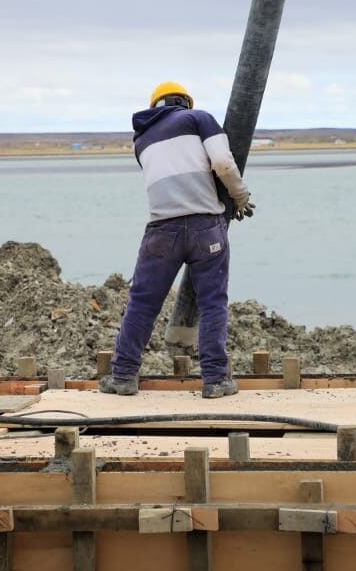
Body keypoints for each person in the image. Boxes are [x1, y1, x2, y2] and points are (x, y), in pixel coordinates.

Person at [100, 81, 255, 399]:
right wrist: (240, 198)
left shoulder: (141, 140)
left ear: (155, 106)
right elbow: (223, 163)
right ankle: (215, 381)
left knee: (142, 304)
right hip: (205, 228)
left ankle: (124, 376)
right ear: (184, 102)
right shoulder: (199, 119)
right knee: (212, 303)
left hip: (162, 232)